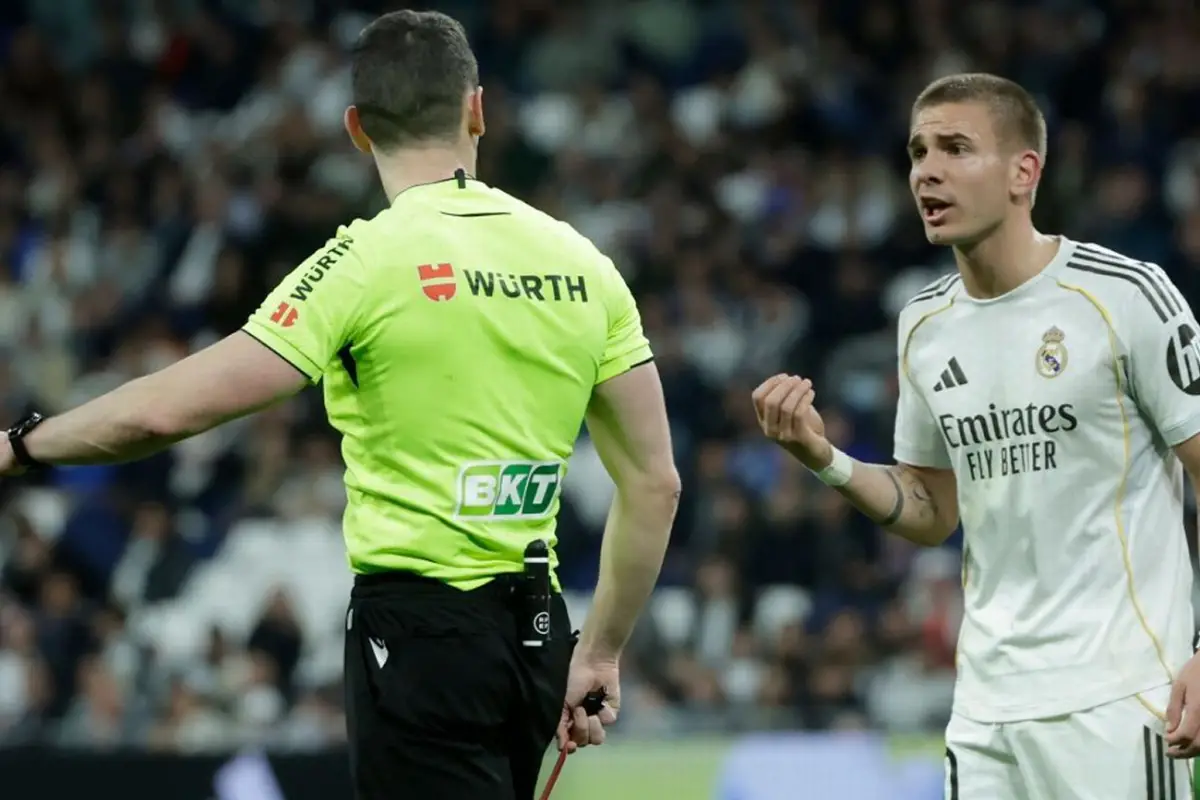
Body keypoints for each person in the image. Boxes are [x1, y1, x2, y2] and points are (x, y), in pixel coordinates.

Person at [0, 10, 680, 800]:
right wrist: (599, 651)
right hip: (538, 632)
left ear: (357, 128)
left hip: (418, 633)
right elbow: (655, 483)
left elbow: (167, 412)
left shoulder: (364, 260)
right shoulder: (585, 266)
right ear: (477, 110)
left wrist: (23, 443)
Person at [753, 72, 1200, 799]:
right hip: (986, 707)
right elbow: (931, 509)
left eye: (956, 149)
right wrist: (824, 458)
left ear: (1024, 172)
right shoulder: (924, 325)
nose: (926, 171)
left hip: (1118, 695)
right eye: (917, 152)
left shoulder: (1124, 297)